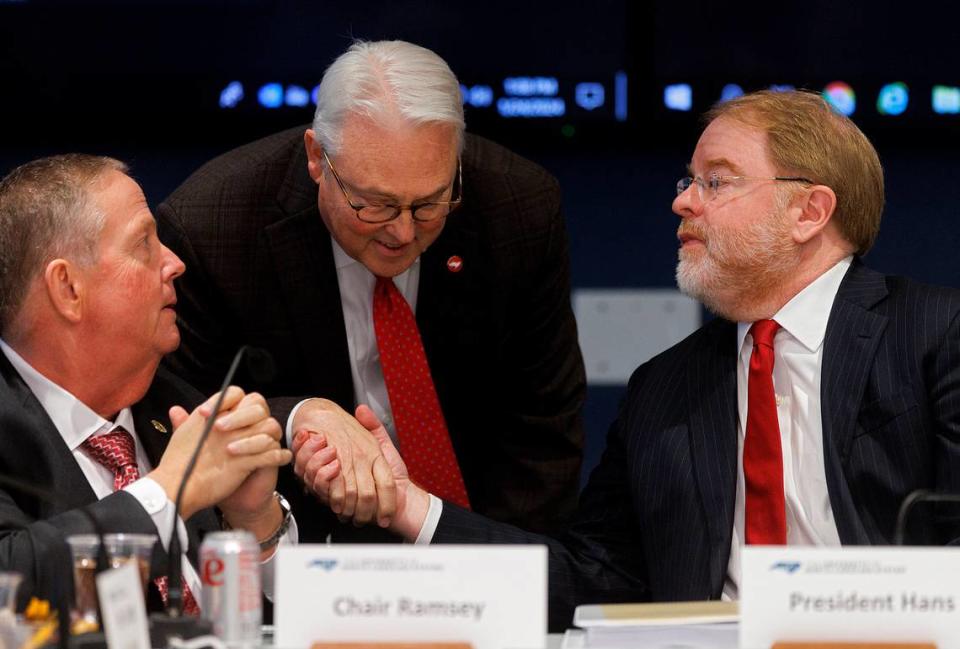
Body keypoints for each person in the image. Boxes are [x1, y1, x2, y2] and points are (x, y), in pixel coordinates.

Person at [295, 89, 960, 631]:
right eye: (687, 180)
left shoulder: (935, 337)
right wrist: (410, 505)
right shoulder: (664, 390)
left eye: (715, 182)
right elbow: (587, 581)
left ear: (810, 212)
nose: (682, 200)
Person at [156, 40, 585, 540]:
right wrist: (293, 415)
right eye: (374, 204)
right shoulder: (214, 226)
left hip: (478, 535)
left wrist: (504, 575)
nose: (403, 233)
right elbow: (180, 414)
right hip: (298, 553)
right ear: (317, 158)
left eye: (429, 202)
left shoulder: (519, 208)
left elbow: (542, 432)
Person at [0, 154, 294, 613]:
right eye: (144, 244)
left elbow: (286, 626)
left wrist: (255, 522)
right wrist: (171, 489)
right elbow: (11, 580)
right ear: (68, 288)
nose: (175, 263)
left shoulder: (178, 408)